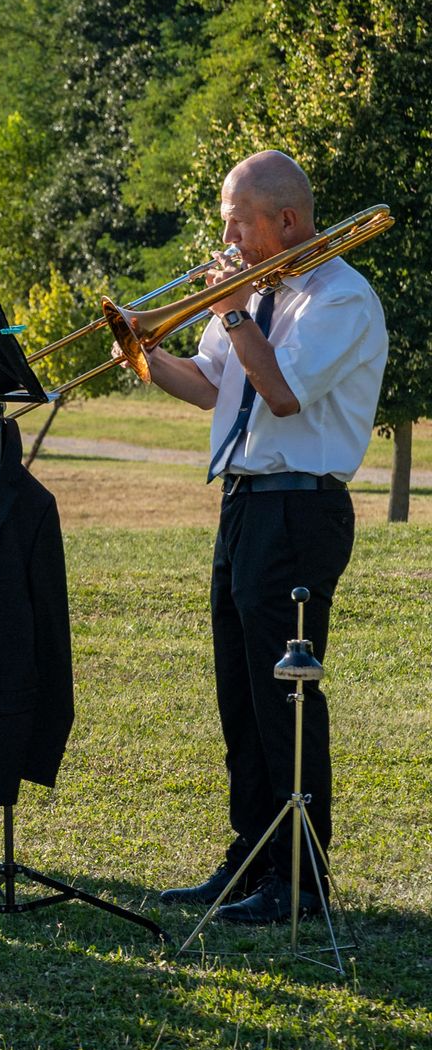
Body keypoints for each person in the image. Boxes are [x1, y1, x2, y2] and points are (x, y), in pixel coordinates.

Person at [138, 151, 386, 924]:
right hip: (244, 502)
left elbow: (278, 395)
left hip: (301, 509)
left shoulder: (341, 297)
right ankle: (249, 857)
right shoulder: (259, 297)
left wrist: (236, 311)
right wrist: (143, 351)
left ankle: (300, 879)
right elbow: (217, 386)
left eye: (238, 221)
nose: (227, 236)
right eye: (225, 220)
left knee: (285, 695)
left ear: (285, 220)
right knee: (240, 692)